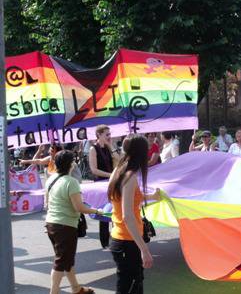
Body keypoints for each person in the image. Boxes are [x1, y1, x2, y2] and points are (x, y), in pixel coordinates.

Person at [108, 134, 160, 294]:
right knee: (130, 286)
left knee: (130, 284)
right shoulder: (129, 177)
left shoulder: (118, 170)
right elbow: (127, 215)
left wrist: (151, 197)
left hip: (121, 238)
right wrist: (144, 249)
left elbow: (124, 199)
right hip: (127, 240)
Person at [45, 150, 102, 294]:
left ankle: (76, 288)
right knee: (61, 261)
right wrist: (96, 211)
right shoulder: (72, 182)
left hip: (52, 224)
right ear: (71, 164)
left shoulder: (50, 179)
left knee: (66, 259)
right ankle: (54, 292)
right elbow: (79, 207)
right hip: (65, 226)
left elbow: (48, 204)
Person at [89, 125, 120, 248]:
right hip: (100, 182)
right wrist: (110, 175)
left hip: (110, 182)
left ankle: (116, 237)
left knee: (114, 209)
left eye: (109, 134)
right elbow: (94, 170)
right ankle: (104, 241)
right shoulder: (93, 149)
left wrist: (110, 145)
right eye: (107, 134)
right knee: (104, 211)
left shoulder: (108, 148)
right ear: (99, 135)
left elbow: (119, 159)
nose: (109, 136)